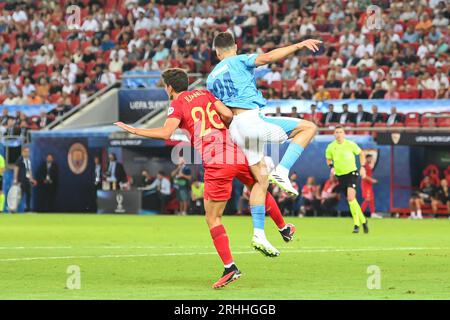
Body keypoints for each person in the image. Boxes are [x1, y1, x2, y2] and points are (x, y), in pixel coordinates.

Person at [114, 68, 295, 288]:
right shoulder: (203, 93)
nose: (165, 89)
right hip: (234, 152)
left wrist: (134, 130)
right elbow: (228, 115)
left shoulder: (177, 104)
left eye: (164, 86)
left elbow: (165, 133)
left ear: (170, 87)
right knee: (259, 185)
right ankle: (283, 227)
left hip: (216, 161)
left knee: (213, 219)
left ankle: (230, 267)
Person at [206, 32, 320, 205]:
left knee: (261, 183)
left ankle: (259, 232)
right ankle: (282, 170)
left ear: (217, 53)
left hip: (235, 129)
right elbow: (268, 57)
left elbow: (222, 111)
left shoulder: (210, 79)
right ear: (235, 47)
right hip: (250, 119)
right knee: (308, 128)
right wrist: (298, 45)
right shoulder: (239, 60)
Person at [325, 126, 369, 233]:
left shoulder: (350, 144)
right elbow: (329, 159)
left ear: (344, 134)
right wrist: (332, 168)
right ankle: (363, 220)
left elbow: (361, 153)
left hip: (352, 173)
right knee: (352, 201)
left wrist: (362, 167)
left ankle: (356, 224)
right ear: (334, 134)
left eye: (340, 132)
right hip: (340, 176)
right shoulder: (331, 147)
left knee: (350, 197)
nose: (338, 134)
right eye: (336, 132)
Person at [14, 146, 37, 212]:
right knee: (19, 195)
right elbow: (16, 169)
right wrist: (15, 179)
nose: (27, 153)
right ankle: (14, 208)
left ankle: (27, 209)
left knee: (29, 195)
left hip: (27, 180)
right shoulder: (20, 159)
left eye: (28, 152)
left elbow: (29, 171)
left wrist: (32, 179)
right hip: (21, 180)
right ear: (22, 152)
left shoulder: (28, 160)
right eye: (25, 152)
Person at [360, 154, 381, 218]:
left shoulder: (368, 166)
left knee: (371, 199)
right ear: (367, 158)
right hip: (366, 185)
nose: (371, 160)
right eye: (370, 158)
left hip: (369, 185)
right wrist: (372, 180)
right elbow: (364, 176)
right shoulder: (364, 166)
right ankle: (360, 213)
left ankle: (373, 213)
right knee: (367, 199)